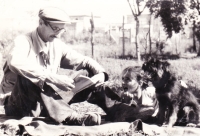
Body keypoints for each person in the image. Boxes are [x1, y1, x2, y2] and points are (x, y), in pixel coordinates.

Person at [0, 7, 108, 126]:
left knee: (88, 72)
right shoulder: (23, 41)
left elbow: (84, 60)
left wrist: (101, 73)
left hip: (46, 102)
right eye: (55, 28)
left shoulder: (56, 45)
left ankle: (113, 107)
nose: (58, 34)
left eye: (62, 30)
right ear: (41, 23)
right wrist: (52, 77)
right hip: (19, 104)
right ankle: (69, 117)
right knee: (33, 75)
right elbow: (15, 62)